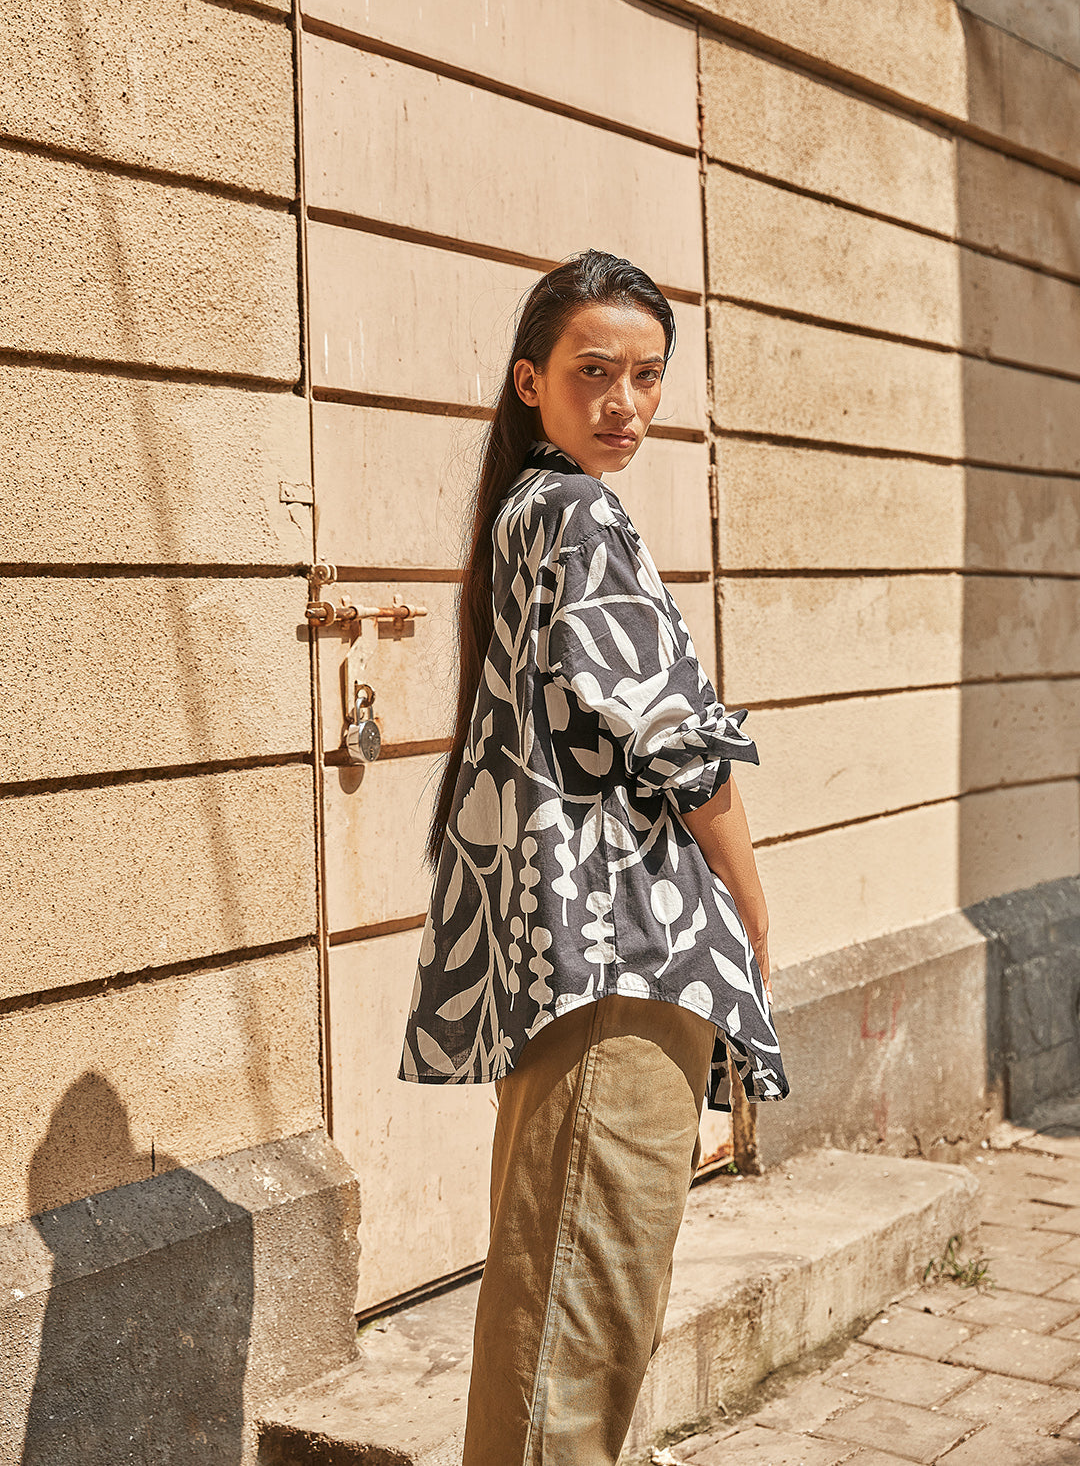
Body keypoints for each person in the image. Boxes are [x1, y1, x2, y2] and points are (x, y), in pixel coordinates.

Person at [399, 249, 789, 1464]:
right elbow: (677, 737)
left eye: (647, 376)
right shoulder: (577, 513)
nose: (626, 402)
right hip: (624, 960)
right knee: (579, 1336)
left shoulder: (525, 514)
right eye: (594, 372)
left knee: (559, 1317)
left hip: (580, 963)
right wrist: (752, 906)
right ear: (531, 381)